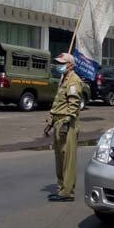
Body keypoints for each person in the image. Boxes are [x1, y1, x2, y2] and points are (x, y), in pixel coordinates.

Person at [44, 53, 83, 202]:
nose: (59, 66)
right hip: (58, 123)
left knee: (67, 159)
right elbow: (57, 104)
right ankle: (61, 188)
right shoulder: (64, 80)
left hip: (67, 124)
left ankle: (67, 192)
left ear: (71, 65)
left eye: (62, 63)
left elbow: (73, 104)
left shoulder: (73, 81)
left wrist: (66, 123)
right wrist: (50, 122)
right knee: (59, 159)